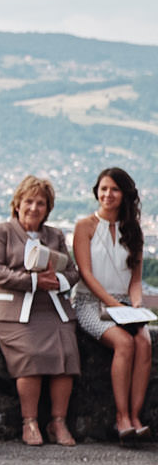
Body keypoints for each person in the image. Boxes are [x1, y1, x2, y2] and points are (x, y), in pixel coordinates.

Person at [0, 176, 80, 446]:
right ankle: (30, 422)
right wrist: (34, 281)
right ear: (17, 204)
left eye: (41, 203)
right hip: (12, 310)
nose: (34, 208)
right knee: (33, 354)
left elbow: (72, 272)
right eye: (29, 201)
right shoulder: (0, 232)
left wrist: (56, 281)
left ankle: (58, 422)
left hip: (50, 308)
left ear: (48, 208)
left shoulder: (55, 235)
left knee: (67, 352)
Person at [72, 166, 150, 440]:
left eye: (114, 189)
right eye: (103, 189)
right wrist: (113, 306)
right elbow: (86, 274)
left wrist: (135, 306)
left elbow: (136, 281)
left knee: (144, 342)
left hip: (124, 305)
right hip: (90, 303)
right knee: (125, 343)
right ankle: (121, 417)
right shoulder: (84, 227)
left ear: (124, 194)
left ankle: (136, 415)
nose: (108, 194)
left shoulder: (135, 231)